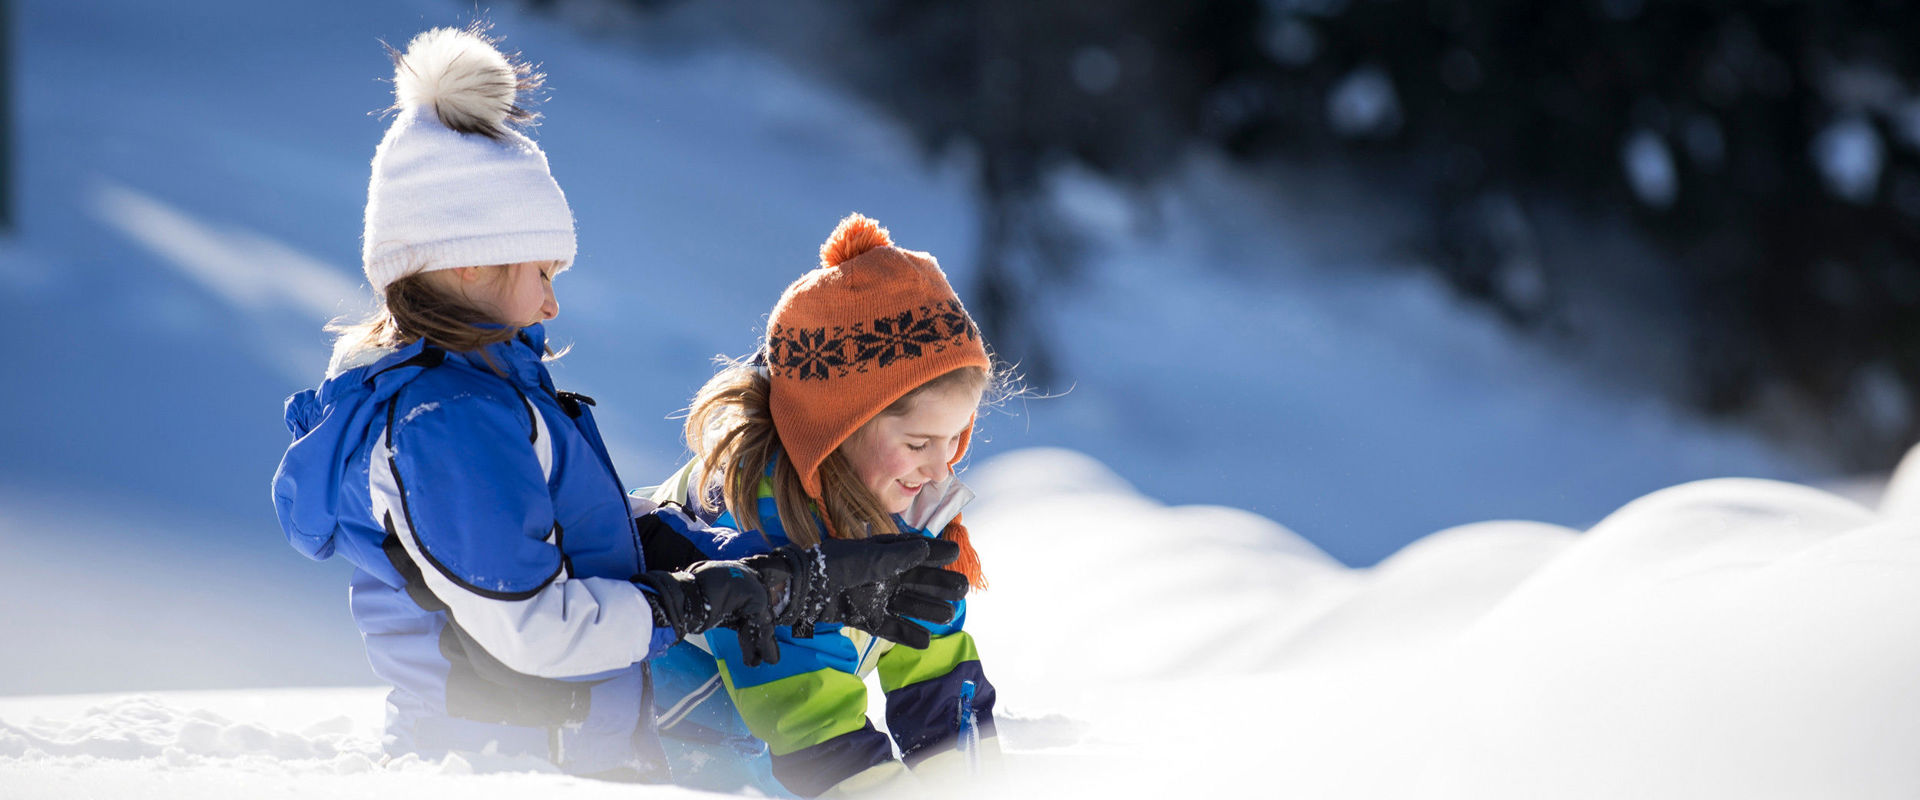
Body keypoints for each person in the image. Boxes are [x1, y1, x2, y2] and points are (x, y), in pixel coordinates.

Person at [269, 28, 963, 782]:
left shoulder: (485, 396)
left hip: (556, 755)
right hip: (498, 771)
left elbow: (579, 538)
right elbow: (530, 625)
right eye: (540, 268)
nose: (552, 300)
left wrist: (786, 575)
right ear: (468, 260)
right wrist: (691, 604)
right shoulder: (445, 423)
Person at [644, 213, 1005, 797]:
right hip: (678, 736)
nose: (942, 468)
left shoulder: (904, 493)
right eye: (919, 443)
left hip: (774, 728)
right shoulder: (762, 519)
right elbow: (807, 713)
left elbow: (936, 663)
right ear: (838, 429)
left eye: (955, 440)